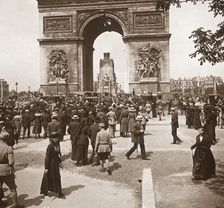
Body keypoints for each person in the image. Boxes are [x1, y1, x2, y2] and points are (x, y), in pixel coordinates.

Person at [0, 130, 24, 207]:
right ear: (7, 139)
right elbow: (11, 162)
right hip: (7, 170)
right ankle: (15, 205)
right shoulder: (8, 148)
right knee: (12, 188)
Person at [41, 133, 65, 198]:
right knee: (50, 178)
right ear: (52, 139)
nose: (57, 139)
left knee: (57, 178)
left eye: (57, 137)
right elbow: (47, 158)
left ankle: (59, 192)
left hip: (55, 164)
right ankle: (46, 191)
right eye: (56, 138)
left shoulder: (56, 145)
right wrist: (46, 168)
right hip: (51, 165)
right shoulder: (50, 146)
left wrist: (60, 162)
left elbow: (57, 155)